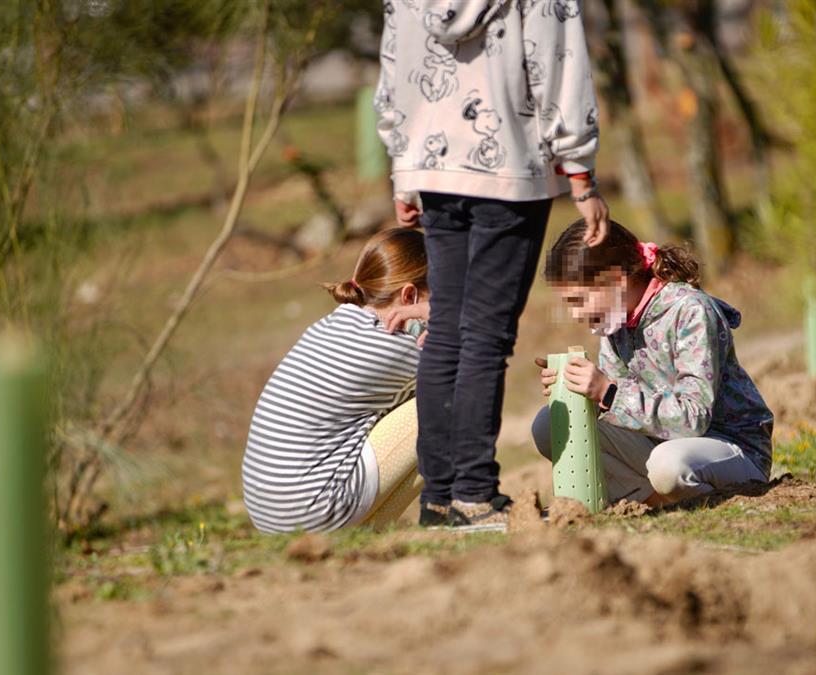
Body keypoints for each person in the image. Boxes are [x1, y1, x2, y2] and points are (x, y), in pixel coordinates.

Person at [374, 0, 609, 527]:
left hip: (432, 167)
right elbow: (559, 59)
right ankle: (474, 494)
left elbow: (394, 67)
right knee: (484, 336)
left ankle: (440, 500)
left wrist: (404, 170)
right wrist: (581, 174)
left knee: (447, 332)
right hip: (510, 170)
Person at [533, 221, 774, 506]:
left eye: (580, 300)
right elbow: (619, 412)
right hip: (661, 445)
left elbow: (693, 419)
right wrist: (577, 393)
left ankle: (672, 497)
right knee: (551, 424)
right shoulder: (615, 324)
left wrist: (608, 392)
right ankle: (654, 501)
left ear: (617, 278)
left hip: (728, 449)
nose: (575, 314)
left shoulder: (691, 311)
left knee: (668, 466)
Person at [242, 229, 430, 533]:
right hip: (313, 510)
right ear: (410, 296)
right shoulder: (395, 345)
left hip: (272, 518)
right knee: (451, 398)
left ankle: (367, 534)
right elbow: (478, 363)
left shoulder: (338, 323)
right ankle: (468, 506)